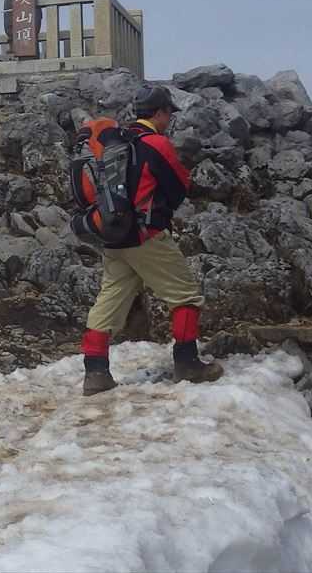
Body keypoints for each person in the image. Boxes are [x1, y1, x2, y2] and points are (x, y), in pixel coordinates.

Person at [78, 85, 223, 396]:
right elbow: (179, 187)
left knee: (109, 300)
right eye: (168, 113)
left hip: (113, 236)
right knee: (185, 295)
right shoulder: (156, 143)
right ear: (159, 112)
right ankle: (188, 363)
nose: (169, 120)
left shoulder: (114, 143)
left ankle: (95, 372)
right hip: (147, 237)